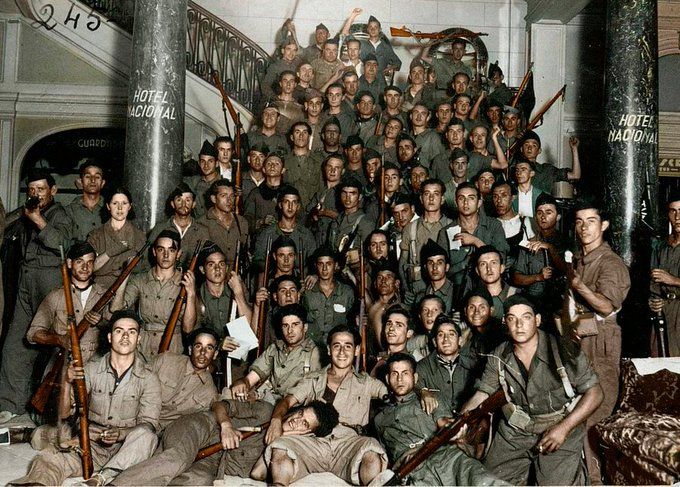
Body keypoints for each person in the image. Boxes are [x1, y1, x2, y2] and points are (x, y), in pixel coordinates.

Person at [463, 295, 604, 486]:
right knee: (485, 482)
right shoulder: (498, 355)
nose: (519, 325)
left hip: (559, 427)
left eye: (526, 317)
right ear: (505, 322)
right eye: (512, 318)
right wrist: (460, 421)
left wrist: (564, 429)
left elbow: (595, 393)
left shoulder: (563, 349)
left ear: (537, 320)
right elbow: (482, 394)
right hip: (516, 430)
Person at [11, 310, 162, 486]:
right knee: (48, 457)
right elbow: (64, 413)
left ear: (139, 338)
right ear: (110, 337)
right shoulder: (91, 369)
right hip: (90, 443)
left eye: (132, 331)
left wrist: (121, 434)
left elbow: (148, 424)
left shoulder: (149, 378)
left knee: (148, 437)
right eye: (119, 331)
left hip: (127, 449)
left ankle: (100, 479)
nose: (125, 336)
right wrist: (67, 382)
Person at [263, 325, 389, 486]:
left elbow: (395, 392)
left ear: (356, 350)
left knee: (371, 449)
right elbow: (286, 401)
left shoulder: (367, 383)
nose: (342, 352)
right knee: (281, 447)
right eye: (336, 346)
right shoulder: (313, 379)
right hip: (314, 442)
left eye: (348, 346)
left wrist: (418, 390)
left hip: (349, 444)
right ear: (329, 350)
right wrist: (275, 420)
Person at [107, 327, 222, 486]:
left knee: (193, 477)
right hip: (135, 425)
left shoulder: (210, 393)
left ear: (215, 354)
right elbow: (136, 384)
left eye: (209, 348)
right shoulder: (166, 361)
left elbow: (191, 430)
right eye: (198, 346)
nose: (202, 353)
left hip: (163, 442)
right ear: (190, 349)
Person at [0, 170, 72, 421]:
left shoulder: (60, 214)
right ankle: (11, 404)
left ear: (53, 191)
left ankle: (49, 410)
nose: (35, 194)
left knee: (53, 345)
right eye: (31, 190)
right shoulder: (25, 213)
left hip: (50, 283)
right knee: (14, 346)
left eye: (40, 189)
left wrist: (39, 220)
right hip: (25, 281)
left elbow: (63, 243)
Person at [568, 200, 630, 485]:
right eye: (579, 221)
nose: (584, 227)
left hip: (602, 345)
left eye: (591, 221)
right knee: (575, 415)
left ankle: (596, 481)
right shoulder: (579, 261)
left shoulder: (611, 263)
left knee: (593, 418)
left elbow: (606, 307)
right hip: (580, 344)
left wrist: (579, 286)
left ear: (604, 225)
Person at [375, 353, 505, 486]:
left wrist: (456, 430)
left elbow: (444, 422)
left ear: (415, 377)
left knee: (484, 481)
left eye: (405, 373)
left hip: (447, 457)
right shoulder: (379, 419)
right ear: (387, 379)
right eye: (394, 374)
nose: (400, 379)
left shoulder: (430, 399)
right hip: (411, 471)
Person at [111, 230, 196, 357]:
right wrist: (125, 274)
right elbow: (115, 309)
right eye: (161, 249)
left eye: (171, 250)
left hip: (172, 348)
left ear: (178, 254)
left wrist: (191, 293)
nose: (166, 255)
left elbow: (188, 328)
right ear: (154, 252)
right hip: (142, 348)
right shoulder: (141, 280)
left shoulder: (186, 283)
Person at [27, 241, 105, 366]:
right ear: (69, 263)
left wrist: (101, 322)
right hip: (62, 366)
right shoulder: (56, 296)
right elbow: (33, 334)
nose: (85, 267)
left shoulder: (104, 295)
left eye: (90, 262)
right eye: (79, 261)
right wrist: (59, 339)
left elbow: (117, 329)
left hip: (96, 367)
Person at [231, 303, 321, 406]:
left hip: (294, 407)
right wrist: (243, 382)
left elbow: (312, 392)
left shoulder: (314, 353)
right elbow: (251, 378)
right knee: (229, 396)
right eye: (285, 326)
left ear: (305, 327)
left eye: (295, 325)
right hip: (268, 400)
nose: (290, 331)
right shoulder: (275, 349)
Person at [437, 183, 509, 288]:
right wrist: (463, 264)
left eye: (471, 198)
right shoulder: (446, 232)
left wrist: (476, 241)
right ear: (456, 203)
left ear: (479, 202)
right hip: (457, 290)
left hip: (490, 289)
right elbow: (441, 271)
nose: (466, 202)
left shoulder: (494, 226)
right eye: (461, 198)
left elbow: (502, 260)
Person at [513, 192, 570, 320]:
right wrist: (538, 277)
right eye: (539, 213)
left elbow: (568, 270)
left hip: (561, 305)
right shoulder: (528, 244)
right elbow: (516, 278)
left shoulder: (567, 242)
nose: (543, 217)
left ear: (558, 217)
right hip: (533, 304)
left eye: (548, 212)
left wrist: (550, 248)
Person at [400, 179, 453, 296]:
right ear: (421, 199)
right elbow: (402, 263)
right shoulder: (410, 228)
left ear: (442, 199)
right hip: (417, 289)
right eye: (427, 194)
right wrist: (405, 289)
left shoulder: (451, 227)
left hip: (444, 290)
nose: (431, 198)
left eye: (436, 194)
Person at [87, 187, 146, 290]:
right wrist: (110, 252)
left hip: (130, 289)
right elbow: (88, 268)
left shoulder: (140, 236)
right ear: (108, 206)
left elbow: (145, 270)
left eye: (124, 203)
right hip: (100, 289)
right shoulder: (96, 236)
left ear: (130, 206)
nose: (120, 208)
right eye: (115, 203)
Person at [252, 185, 317, 273]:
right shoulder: (268, 233)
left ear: (298, 206)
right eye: (286, 202)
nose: (290, 206)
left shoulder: (306, 235)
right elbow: (257, 261)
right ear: (280, 205)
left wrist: (311, 275)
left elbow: (314, 263)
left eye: (294, 202)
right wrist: (274, 267)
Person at [302, 246, 356, 347]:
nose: (324, 268)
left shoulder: (346, 292)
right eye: (320, 264)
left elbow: (354, 320)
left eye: (329, 264)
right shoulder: (307, 292)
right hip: (312, 347)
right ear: (315, 266)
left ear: (335, 265)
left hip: (338, 347)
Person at [148, 183, 210, 269]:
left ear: (193, 204)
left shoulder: (203, 231)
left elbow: (208, 260)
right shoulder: (160, 228)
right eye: (179, 200)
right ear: (172, 204)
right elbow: (148, 260)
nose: (183, 204)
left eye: (188, 200)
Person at [649, 190, 680, 357]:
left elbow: (668, 279)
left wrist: (673, 280)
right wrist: (653, 300)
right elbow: (654, 283)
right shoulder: (661, 246)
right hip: (664, 313)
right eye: (673, 211)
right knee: (661, 364)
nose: (677, 217)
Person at [199, 179, 249, 266]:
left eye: (232, 196)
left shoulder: (241, 222)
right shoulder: (202, 223)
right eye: (223, 196)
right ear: (214, 199)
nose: (229, 200)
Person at [406, 239, 455, 311]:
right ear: (425, 268)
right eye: (430, 263)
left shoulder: (456, 292)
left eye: (439, 263)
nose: (434, 267)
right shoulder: (421, 297)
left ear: (447, 267)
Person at [283, 121, 324, 207]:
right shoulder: (283, 161)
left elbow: (322, 189)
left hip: (312, 210)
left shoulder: (319, 161)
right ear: (292, 137)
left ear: (309, 137)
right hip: (288, 208)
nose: (301, 135)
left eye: (305, 132)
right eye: (297, 132)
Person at [473, 245, 518, 321]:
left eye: (493, 263)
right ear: (477, 271)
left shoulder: (517, 295)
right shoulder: (472, 300)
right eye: (483, 264)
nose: (488, 268)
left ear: (502, 268)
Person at [244, 150, 285, 232]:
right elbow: (246, 220)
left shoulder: (289, 192)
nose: (272, 166)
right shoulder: (255, 193)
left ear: (283, 170)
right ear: (263, 169)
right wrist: (261, 222)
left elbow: (300, 219)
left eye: (277, 164)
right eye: (269, 163)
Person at [307, 154, 343, 247]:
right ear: (324, 168)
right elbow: (308, 215)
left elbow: (348, 219)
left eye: (337, 168)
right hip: (317, 241)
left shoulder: (344, 192)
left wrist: (327, 213)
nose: (332, 171)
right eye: (329, 166)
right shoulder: (320, 192)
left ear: (342, 171)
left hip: (335, 242)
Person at [65, 161, 106, 243]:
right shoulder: (69, 211)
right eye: (88, 176)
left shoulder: (112, 209)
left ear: (102, 183)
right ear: (81, 182)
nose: (93, 180)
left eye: (97, 177)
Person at [185, 140, 221, 218]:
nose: (206, 165)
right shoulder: (193, 182)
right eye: (202, 161)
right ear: (198, 163)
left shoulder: (223, 184)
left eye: (210, 161)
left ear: (217, 163)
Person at [409, 102, 446, 170]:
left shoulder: (433, 137)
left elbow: (438, 164)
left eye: (423, 113)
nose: (419, 116)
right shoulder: (407, 136)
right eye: (416, 112)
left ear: (428, 117)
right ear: (411, 116)